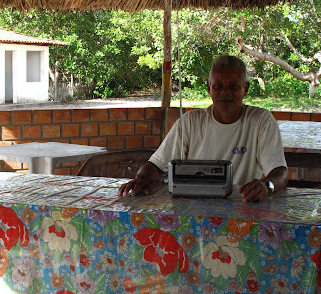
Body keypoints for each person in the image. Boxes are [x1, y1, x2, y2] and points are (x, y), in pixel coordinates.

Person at [118, 55, 288, 202]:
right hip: (189, 210)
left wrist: (267, 185)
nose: (225, 92)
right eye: (218, 86)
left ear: (246, 89)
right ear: (208, 88)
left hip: (242, 208)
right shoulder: (190, 122)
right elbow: (156, 165)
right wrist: (140, 180)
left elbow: (279, 172)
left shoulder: (260, 120)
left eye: (234, 86)